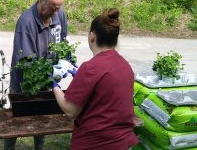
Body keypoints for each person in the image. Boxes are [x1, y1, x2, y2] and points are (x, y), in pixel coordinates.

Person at [52, 8, 139, 150]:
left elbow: (70, 111)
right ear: (115, 39)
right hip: (122, 142)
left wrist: (54, 85)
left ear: (92, 36)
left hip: (95, 144)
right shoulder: (126, 66)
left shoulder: (90, 68)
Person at [5, 0, 69, 150]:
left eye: (59, 7)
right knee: (15, 122)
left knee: (42, 121)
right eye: (52, 8)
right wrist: (50, 72)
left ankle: (39, 148)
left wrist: (65, 60)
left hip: (47, 84)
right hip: (23, 85)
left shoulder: (60, 15)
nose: (56, 12)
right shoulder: (26, 22)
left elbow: (63, 42)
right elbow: (25, 62)